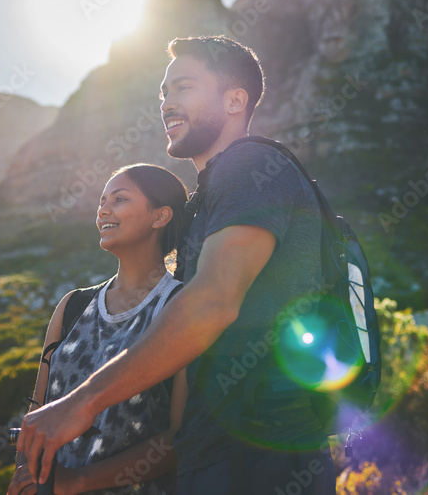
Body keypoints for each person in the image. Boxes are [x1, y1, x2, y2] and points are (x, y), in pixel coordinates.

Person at [17, 35, 336, 495]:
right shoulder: (210, 196)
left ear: (234, 100)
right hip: (220, 456)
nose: (166, 104)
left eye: (183, 88)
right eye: (163, 93)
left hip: (260, 459)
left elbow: (213, 302)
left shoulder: (248, 167)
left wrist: (81, 403)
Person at [8, 163, 190, 495]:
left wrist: (75, 482)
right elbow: (37, 410)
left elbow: (179, 439)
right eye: (101, 201)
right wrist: (25, 473)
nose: (102, 210)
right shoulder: (72, 306)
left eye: (119, 200)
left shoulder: (179, 307)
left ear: (160, 216)